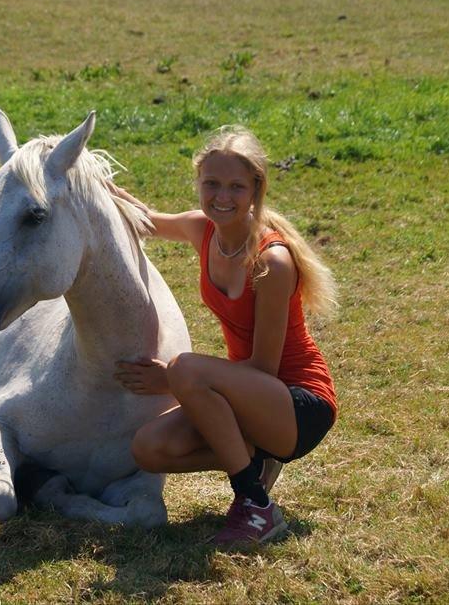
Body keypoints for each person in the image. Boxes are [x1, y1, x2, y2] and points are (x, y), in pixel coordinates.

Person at [113, 125, 338, 548]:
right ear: (198, 182)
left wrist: (171, 381)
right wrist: (89, 183)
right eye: (211, 183)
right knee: (148, 448)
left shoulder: (272, 261)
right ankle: (255, 460)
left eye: (236, 186)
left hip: (296, 405)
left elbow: (265, 370)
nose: (222, 196)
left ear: (256, 190)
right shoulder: (203, 229)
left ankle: (255, 505)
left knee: (186, 367)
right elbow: (145, 221)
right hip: (254, 401)